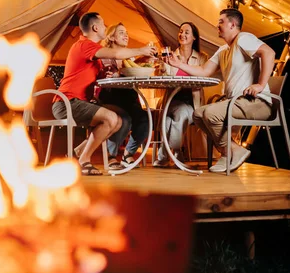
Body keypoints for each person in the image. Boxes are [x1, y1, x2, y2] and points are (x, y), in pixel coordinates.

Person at [166, 8, 276, 173]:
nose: (217, 25)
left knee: (210, 114)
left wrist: (260, 85)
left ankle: (232, 151)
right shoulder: (223, 49)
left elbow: (269, 52)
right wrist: (179, 65)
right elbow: (204, 71)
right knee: (198, 114)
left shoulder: (243, 38)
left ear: (232, 25)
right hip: (236, 102)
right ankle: (229, 151)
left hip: (257, 102)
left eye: (221, 22)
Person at [52, 12, 157, 176]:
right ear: (95, 28)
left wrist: (106, 74)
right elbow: (116, 54)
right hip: (67, 102)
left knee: (119, 120)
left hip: (79, 102)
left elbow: (96, 74)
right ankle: (84, 160)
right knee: (111, 118)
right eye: (103, 24)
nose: (105, 28)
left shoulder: (93, 52)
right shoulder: (84, 45)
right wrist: (141, 49)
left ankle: (78, 152)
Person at [153, 22, 209, 168]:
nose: (182, 34)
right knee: (170, 116)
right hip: (171, 100)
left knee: (177, 116)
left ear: (194, 37)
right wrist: (162, 67)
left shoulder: (202, 58)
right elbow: (161, 78)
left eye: (187, 32)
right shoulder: (170, 55)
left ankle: (166, 155)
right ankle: (177, 153)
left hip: (192, 103)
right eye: (181, 31)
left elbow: (203, 79)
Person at [96, 22, 150, 170]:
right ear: (112, 37)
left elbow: (132, 70)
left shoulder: (130, 59)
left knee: (145, 119)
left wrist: (142, 63)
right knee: (124, 119)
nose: (126, 35)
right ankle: (111, 156)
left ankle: (128, 154)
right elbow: (102, 79)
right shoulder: (104, 55)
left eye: (126, 32)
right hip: (110, 98)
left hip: (129, 99)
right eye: (121, 32)